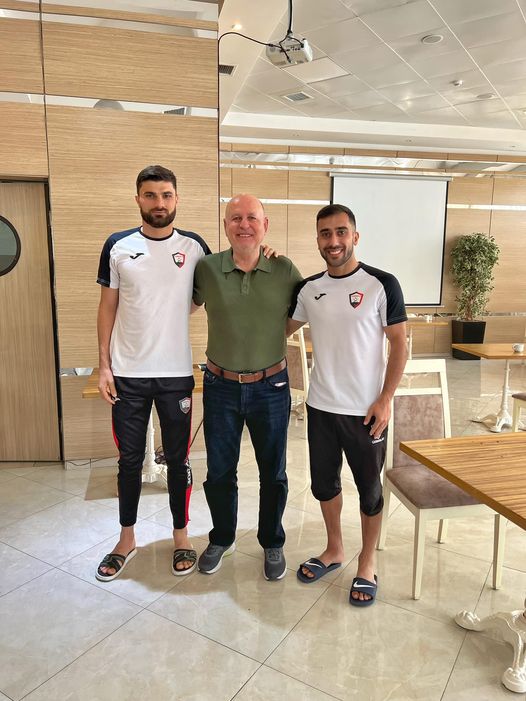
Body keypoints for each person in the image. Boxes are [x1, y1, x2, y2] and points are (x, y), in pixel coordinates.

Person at [288, 203, 407, 606]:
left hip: (366, 411)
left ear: (355, 236)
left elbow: (400, 344)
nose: (333, 241)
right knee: (324, 485)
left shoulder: (381, 284)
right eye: (325, 233)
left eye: (341, 232)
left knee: (369, 491)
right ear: (317, 239)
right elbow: (277, 328)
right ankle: (335, 548)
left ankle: (367, 561)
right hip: (321, 407)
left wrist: (385, 399)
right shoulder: (309, 289)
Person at [95, 164, 210, 581]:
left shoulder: (195, 247)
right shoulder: (118, 245)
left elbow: (208, 292)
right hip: (128, 374)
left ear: (176, 199)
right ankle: (126, 539)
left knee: (178, 460)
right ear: (138, 199)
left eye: (166, 195)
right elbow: (108, 306)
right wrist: (104, 365)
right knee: (129, 461)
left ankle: (181, 537)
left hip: (176, 374)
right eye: (150, 195)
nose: (159, 203)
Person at [193, 194, 303, 580]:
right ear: (225, 225)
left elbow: (304, 310)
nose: (244, 225)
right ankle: (222, 537)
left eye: (252, 218)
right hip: (219, 386)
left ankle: (272, 541)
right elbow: (180, 301)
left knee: (273, 472)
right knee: (219, 471)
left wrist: (273, 334)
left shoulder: (285, 269)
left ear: (265, 225)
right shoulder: (206, 269)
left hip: (271, 386)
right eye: (236, 218)